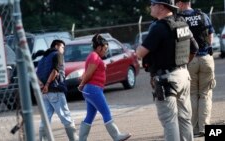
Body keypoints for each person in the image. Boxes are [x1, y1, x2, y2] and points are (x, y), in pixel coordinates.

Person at [136, 0, 199, 141]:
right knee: (184, 118)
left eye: (152, 4)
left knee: (169, 120)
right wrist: (181, 65)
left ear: (161, 7)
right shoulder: (181, 23)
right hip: (183, 75)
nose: (150, 7)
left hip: (166, 79)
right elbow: (194, 48)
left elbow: (140, 53)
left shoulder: (159, 27)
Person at [78, 34, 131, 141]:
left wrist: (83, 83)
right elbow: (88, 73)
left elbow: (87, 73)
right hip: (93, 89)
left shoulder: (94, 56)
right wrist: (82, 84)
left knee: (89, 116)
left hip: (91, 89)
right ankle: (116, 135)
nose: (106, 51)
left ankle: (81, 140)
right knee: (106, 112)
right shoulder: (94, 56)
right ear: (98, 48)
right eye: (105, 49)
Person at [175, 0, 216, 137]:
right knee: (205, 94)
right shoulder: (203, 16)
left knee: (191, 94)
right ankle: (205, 127)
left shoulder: (180, 20)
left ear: (180, 3)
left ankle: (192, 128)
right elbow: (210, 37)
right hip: (206, 59)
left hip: (189, 60)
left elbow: (179, 42)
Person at [36, 39, 78, 141]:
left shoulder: (43, 58)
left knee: (45, 118)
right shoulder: (58, 55)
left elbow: (36, 74)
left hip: (45, 93)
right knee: (65, 116)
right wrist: (47, 84)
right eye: (62, 47)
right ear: (56, 46)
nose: (63, 50)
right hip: (55, 90)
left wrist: (42, 85)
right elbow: (55, 71)